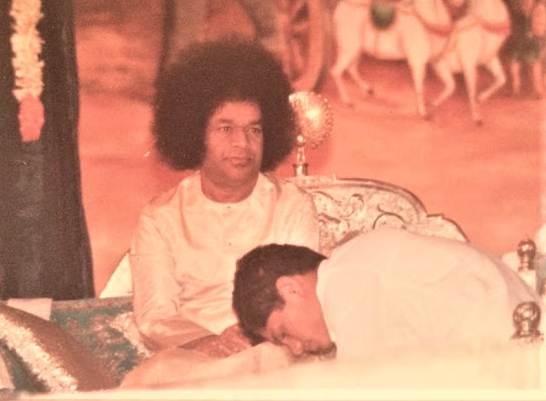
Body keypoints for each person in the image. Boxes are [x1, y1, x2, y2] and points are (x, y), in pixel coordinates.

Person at [103, 37, 320, 358]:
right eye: (226, 128)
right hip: (191, 358)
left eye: (254, 130)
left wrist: (253, 339)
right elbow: (155, 317)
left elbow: (301, 301)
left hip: (275, 352)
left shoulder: (292, 204)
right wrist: (207, 343)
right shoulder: (160, 216)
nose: (242, 143)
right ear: (195, 133)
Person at [233, 227, 543, 361]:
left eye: (284, 334)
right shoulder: (355, 262)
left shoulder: (345, 280)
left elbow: (362, 389)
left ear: (289, 288)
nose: (296, 349)